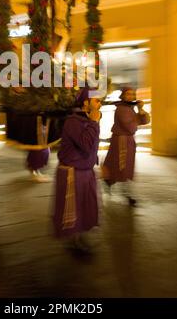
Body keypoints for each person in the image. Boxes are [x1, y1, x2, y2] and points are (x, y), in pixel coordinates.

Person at [52, 87, 102, 253]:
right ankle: (73, 240)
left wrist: (95, 161)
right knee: (73, 209)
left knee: (85, 207)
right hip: (72, 173)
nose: (99, 103)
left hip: (85, 171)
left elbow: (92, 145)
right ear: (85, 103)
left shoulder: (88, 120)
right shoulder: (73, 121)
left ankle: (79, 237)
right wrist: (94, 122)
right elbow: (86, 144)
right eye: (96, 100)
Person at [101, 87, 150, 206]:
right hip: (121, 141)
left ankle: (110, 180)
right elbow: (130, 126)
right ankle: (127, 194)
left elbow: (145, 121)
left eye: (133, 94)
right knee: (123, 167)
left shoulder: (130, 108)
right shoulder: (122, 109)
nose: (131, 96)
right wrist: (137, 119)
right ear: (123, 96)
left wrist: (141, 109)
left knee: (123, 166)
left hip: (127, 141)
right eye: (128, 94)